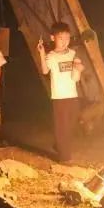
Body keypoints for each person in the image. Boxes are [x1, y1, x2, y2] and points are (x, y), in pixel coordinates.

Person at [37, 22, 84, 162]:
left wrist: (78, 69)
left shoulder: (72, 54)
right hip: (59, 96)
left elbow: (75, 78)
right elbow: (45, 70)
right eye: (61, 38)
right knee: (62, 126)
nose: (64, 41)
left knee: (72, 124)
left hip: (73, 96)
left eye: (67, 38)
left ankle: (59, 144)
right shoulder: (51, 56)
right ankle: (65, 158)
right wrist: (41, 53)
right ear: (53, 38)